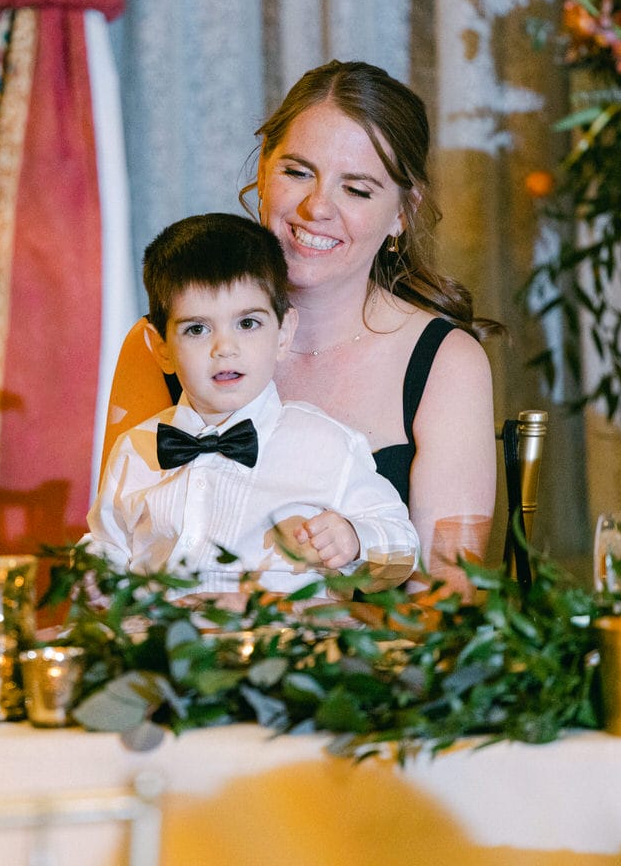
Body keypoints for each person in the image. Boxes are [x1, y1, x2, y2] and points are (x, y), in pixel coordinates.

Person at [103, 61, 496, 596]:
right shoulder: (156, 347)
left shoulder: (446, 363)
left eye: (356, 189)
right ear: (264, 169)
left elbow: (450, 595)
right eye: (297, 172)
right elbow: (116, 539)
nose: (317, 207)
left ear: (403, 213)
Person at [84, 213, 419, 597]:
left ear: (283, 334)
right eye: (197, 329)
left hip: (286, 648)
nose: (224, 348)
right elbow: (106, 545)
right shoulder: (135, 452)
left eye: (247, 324)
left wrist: (355, 538)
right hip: (163, 649)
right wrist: (94, 576)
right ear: (162, 349)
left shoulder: (325, 445)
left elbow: (403, 543)